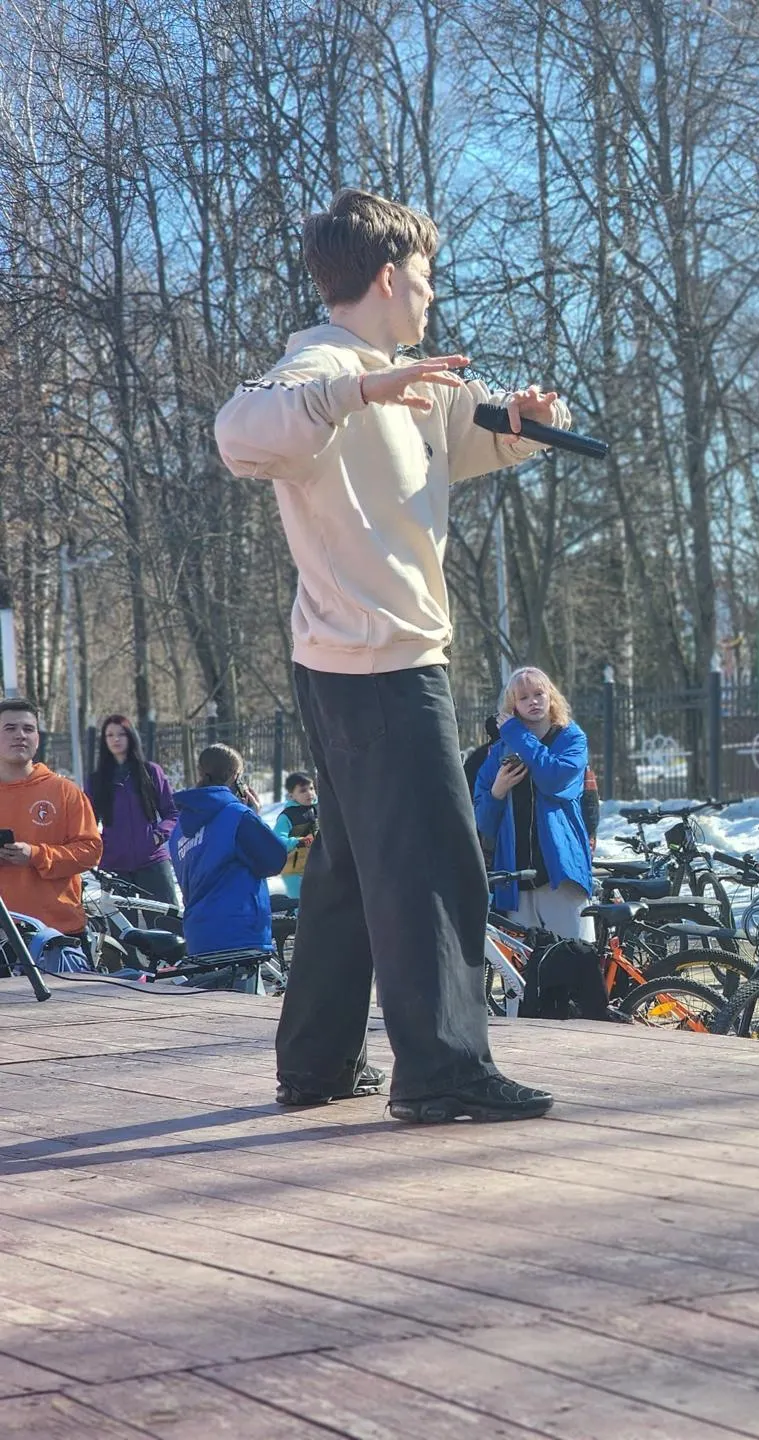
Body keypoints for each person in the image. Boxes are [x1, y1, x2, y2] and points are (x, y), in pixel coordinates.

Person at [214, 187, 568, 1122]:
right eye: (424, 277)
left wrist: (520, 420)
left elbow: (462, 440)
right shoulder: (318, 367)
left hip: (368, 659)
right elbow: (238, 435)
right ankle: (443, 1069)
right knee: (436, 860)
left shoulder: (411, 377)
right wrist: (356, 391)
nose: (431, 294)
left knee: (353, 864)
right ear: (384, 277)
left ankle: (318, 1063)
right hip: (374, 665)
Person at [473, 667, 596, 939]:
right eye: (524, 697)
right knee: (525, 973)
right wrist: (498, 791)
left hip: (560, 875)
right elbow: (483, 821)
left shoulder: (571, 738)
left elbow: (554, 780)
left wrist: (517, 733)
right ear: (513, 705)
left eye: (539, 693)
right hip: (515, 881)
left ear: (551, 696)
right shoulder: (500, 751)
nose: (533, 701)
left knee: (574, 960)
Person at [170, 745, 293, 973]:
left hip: (198, 935)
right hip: (239, 930)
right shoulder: (238, 816)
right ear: (236, 777)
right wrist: (255, 818)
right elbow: (274, 859)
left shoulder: (179, 830)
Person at [0, 698, 103, 943]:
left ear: (38, 737)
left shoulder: (64, 791)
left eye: (28, 729)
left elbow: (90, 851)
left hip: (55, 932)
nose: (20, 736)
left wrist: (36, 855)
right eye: (10, 728)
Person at [88, 714, 181, 911]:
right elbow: (87, 823)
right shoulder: (97, 780)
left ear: (131, 736)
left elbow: (172, 813)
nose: (116, 739)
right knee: (123, 934)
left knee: (166, 924)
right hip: (114, 865)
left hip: (152, 860)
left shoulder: (151, 772)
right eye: (110, 735)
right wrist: (101, 846)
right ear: (104, 741)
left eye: (121, 734)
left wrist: (158, 835)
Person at [272, 773, 318, 903]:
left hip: (315, 864)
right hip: (294, 868)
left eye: (311, 788)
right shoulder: (287, 816)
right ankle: (294, 919)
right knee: (299, 902)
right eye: (303, 791)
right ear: (291, 795)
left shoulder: (319, 809)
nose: (309, 793)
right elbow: (278, 840)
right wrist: (298, 841)